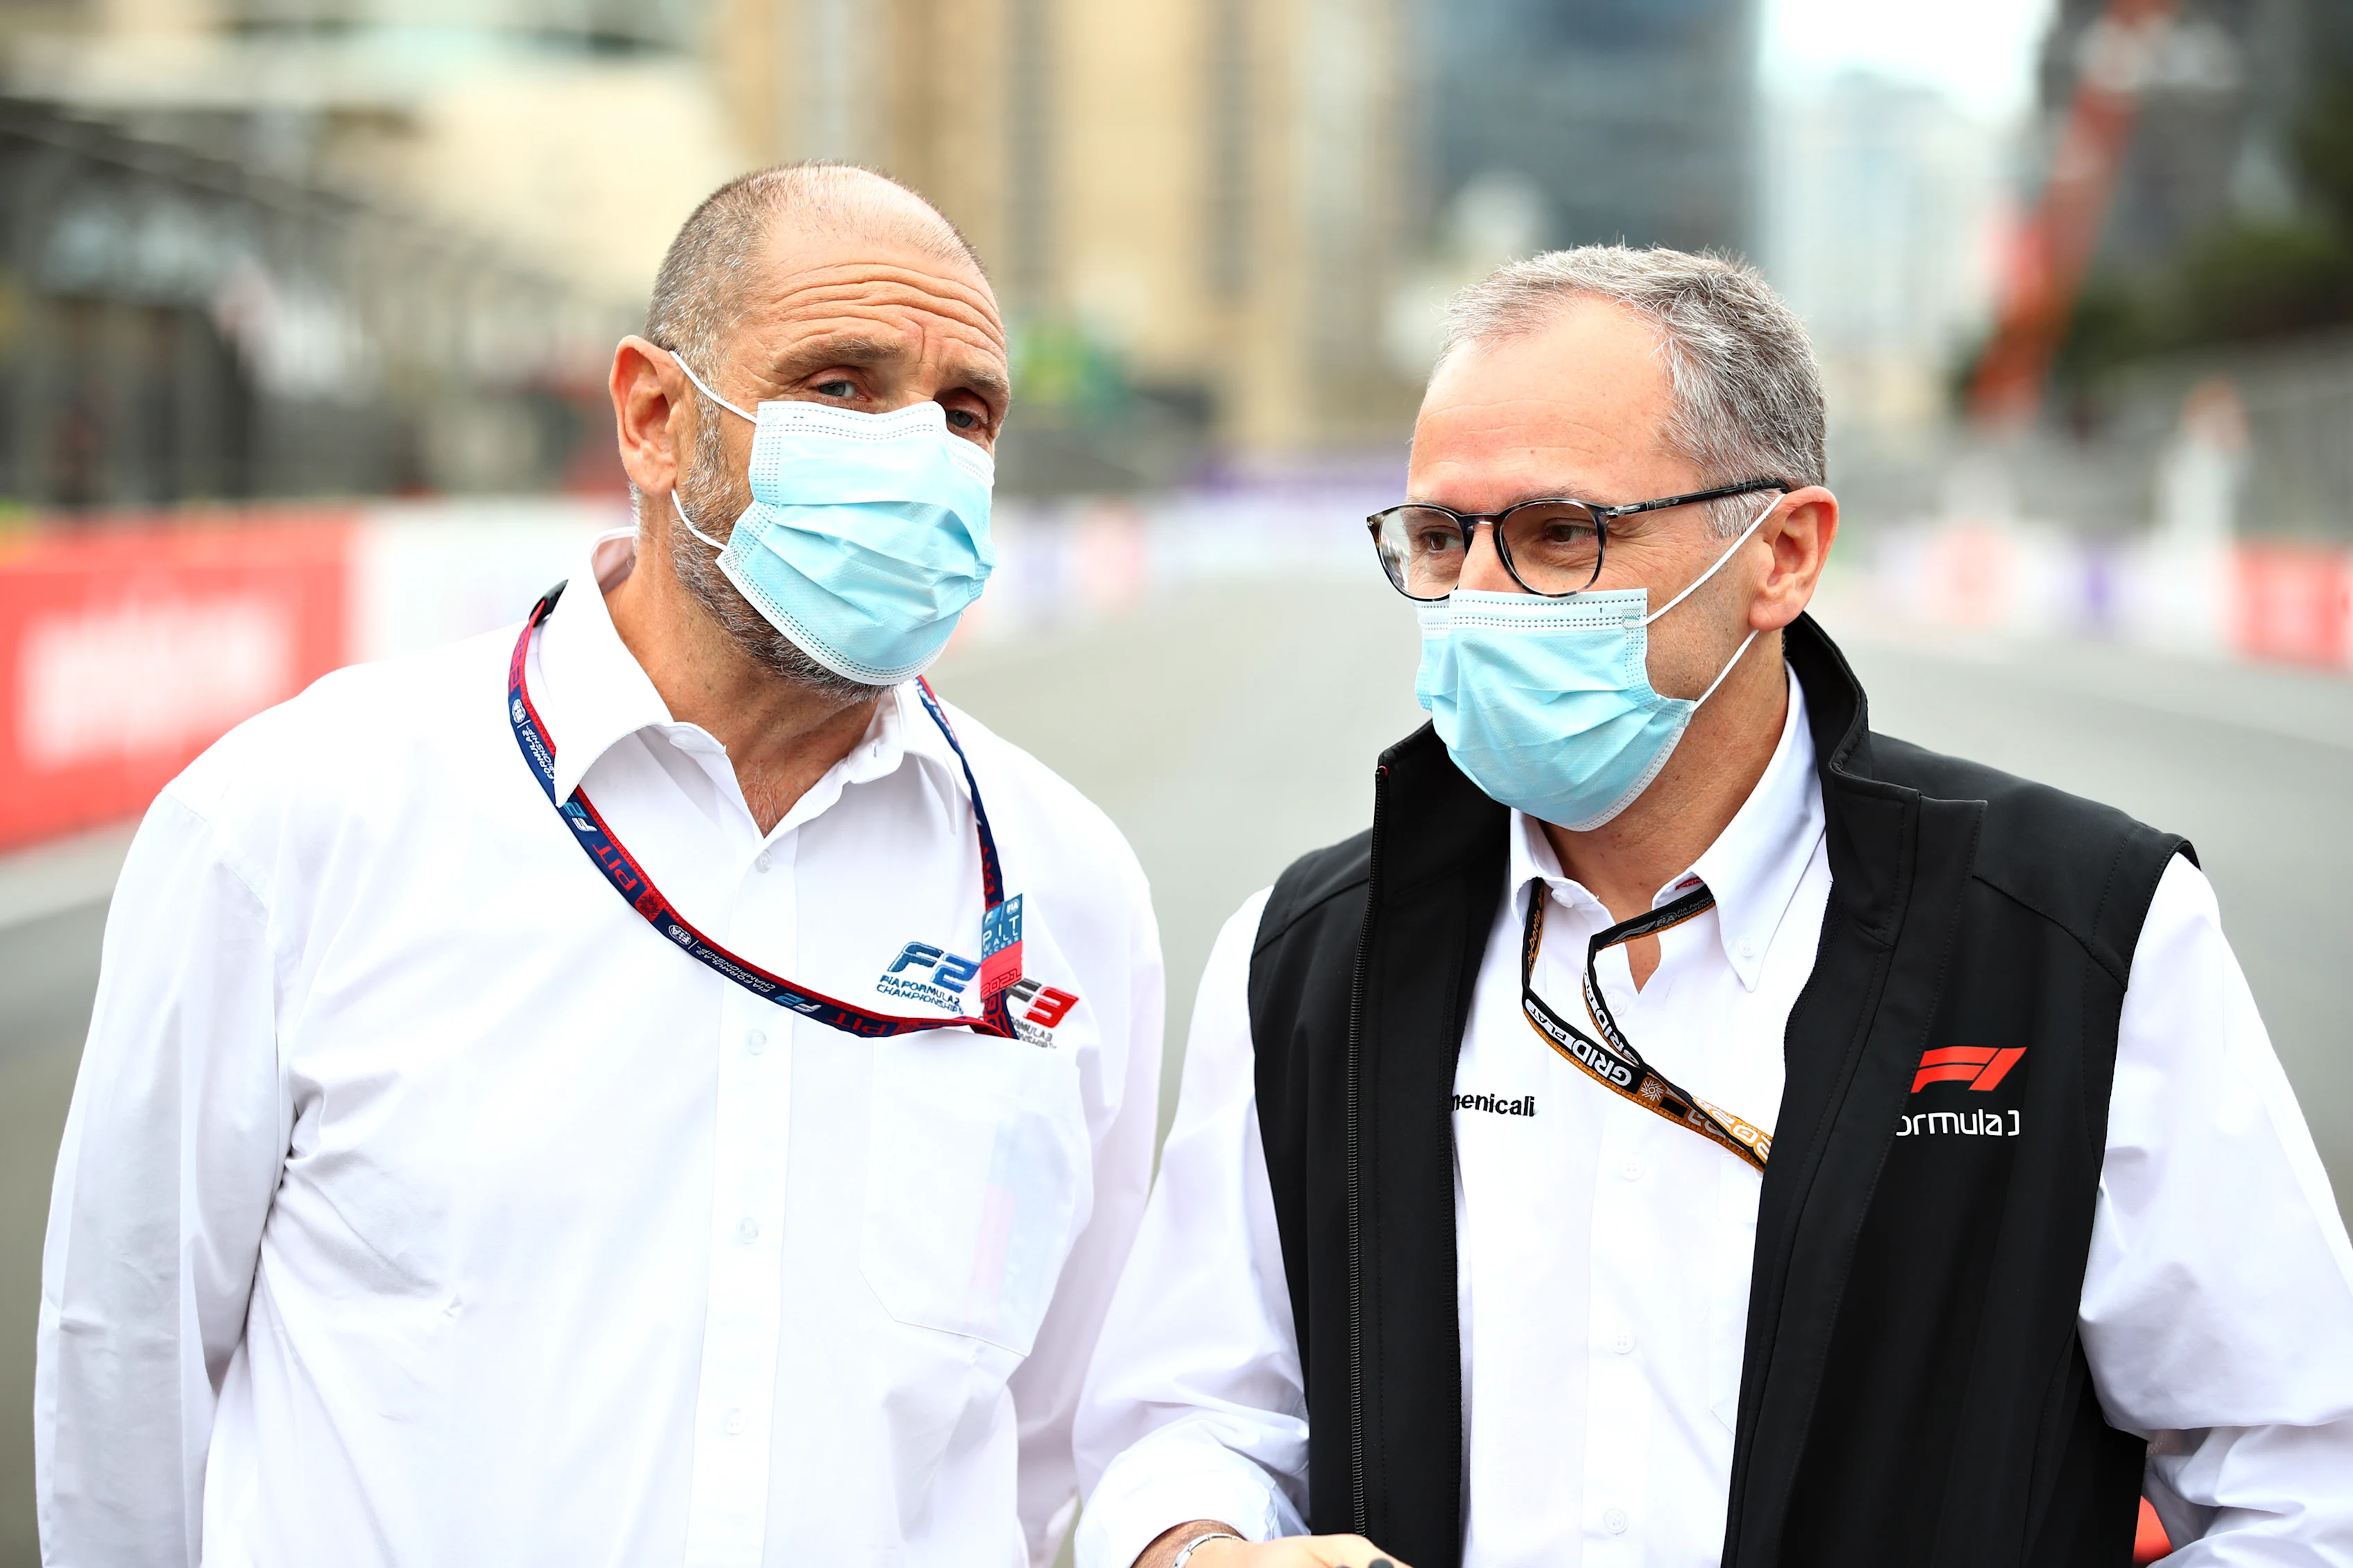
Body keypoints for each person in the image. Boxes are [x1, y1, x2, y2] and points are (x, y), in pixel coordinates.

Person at [1072, 248, 2353, 1568]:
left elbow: (2303, 1483)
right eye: (1443, 538)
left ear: (1781, 554)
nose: (1478, 600)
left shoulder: (2082, 936)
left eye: (1562, 534)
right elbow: (1190, 1418)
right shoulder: (1301, 957)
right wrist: (1198, 1548)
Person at [36, 164, 1163, 1567]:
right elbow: (126, 1363)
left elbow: (1051, 1432)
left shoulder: (1069, 890)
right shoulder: (294, 819)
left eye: (966, 410)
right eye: (843, 384)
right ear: (653, 417)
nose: (918, 450)